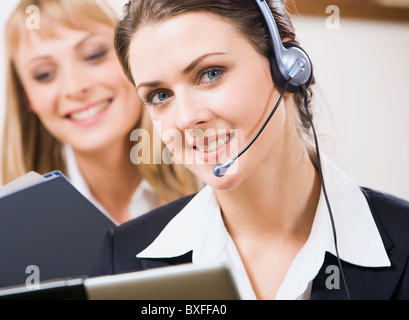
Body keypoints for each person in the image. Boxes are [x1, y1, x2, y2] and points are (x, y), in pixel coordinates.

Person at [92, 0, 409, 300]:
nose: (187, 118)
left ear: (286, 68)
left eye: (210, 74)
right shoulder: (124, 258)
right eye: (160, 95)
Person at [1, 0, 200, 225]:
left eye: (94, 55)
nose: (75, 87)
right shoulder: (12, 225)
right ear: (26, 97)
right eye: (44, 74)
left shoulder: (210, 173)